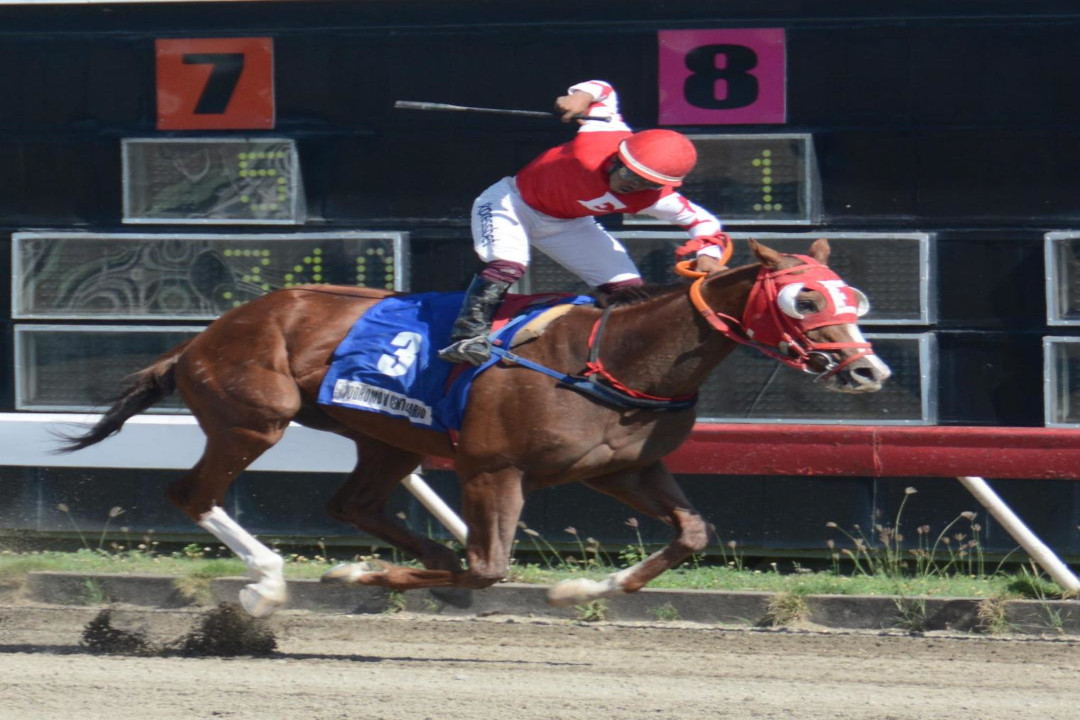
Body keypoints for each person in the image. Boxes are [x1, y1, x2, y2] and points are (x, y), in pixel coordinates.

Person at [438, 79, 730, 365]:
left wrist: (708, 254)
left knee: (628, 291)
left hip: (566, 224)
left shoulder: (655, 198)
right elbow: (604, 89)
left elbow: (705, 222)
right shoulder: (602, 135)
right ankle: (466, 336)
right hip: (512, 202)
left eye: (647, 184)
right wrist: (580, 95)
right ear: (617, 159)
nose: (634, 188)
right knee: (508, 263)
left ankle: (613, 357)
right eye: (630, 176)